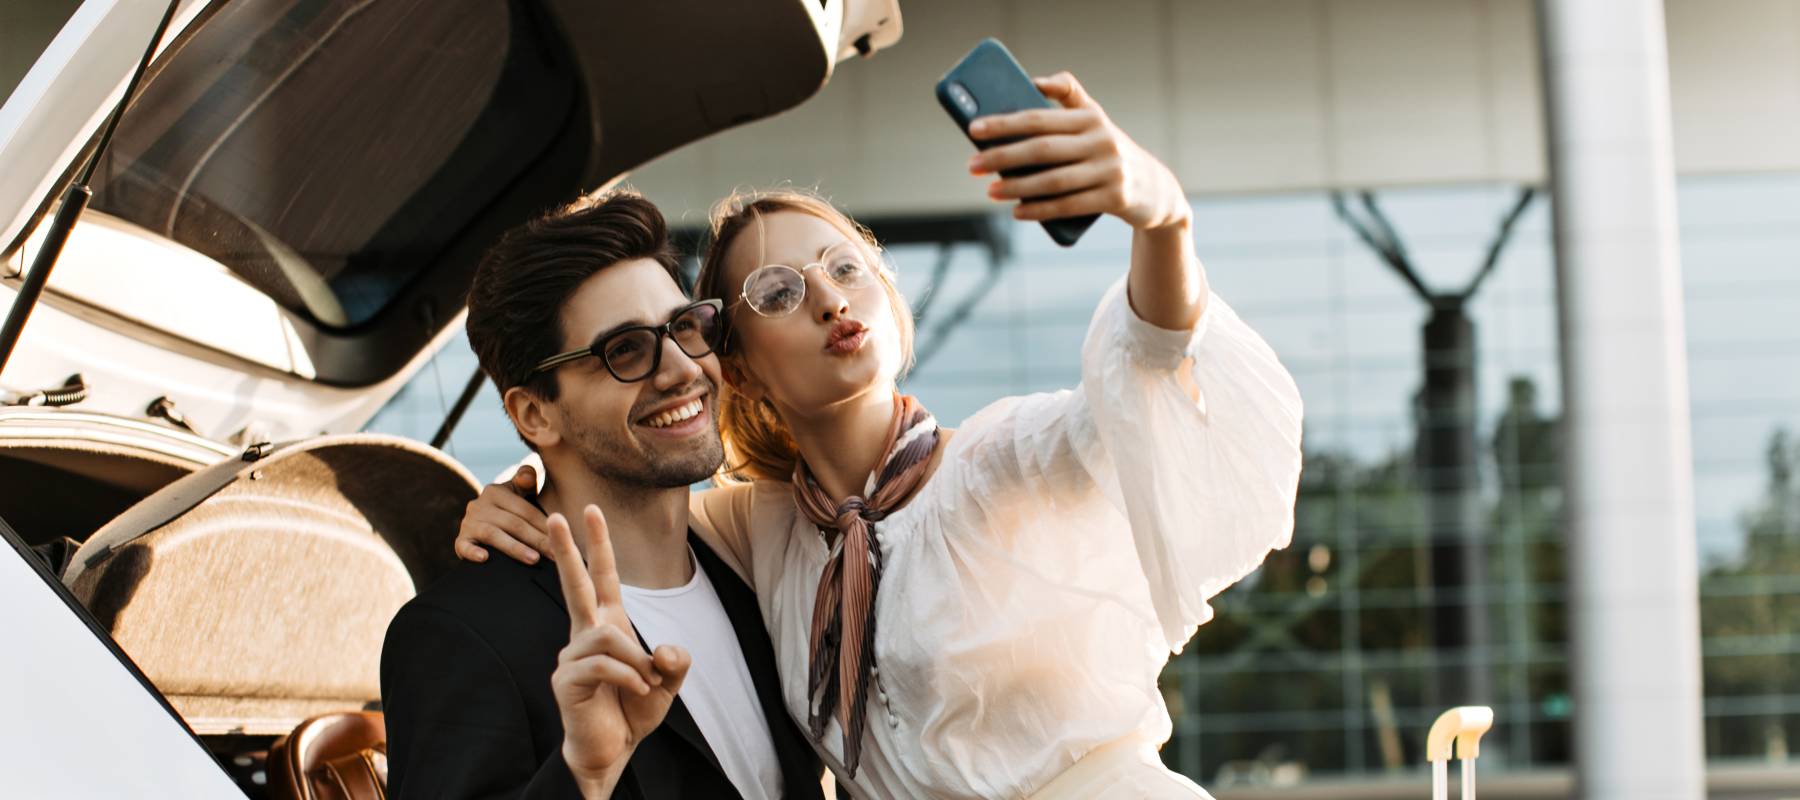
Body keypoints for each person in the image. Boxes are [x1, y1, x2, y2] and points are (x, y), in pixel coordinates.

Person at [460, 72, 1304, 799]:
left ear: (888, 298)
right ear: (739, 367)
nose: (830, 299)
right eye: (781, 292)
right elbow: (613, 482)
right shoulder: (763, 532)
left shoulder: (1003, 461)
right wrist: (510, 497)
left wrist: (1161, 219)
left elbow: (1150, 367)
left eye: (845, 266)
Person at [381, 193, 825, 799]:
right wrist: (583, 778)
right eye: (624, 350)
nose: (681, 369)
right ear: (535, 414)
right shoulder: (458, 633)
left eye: (685, 327)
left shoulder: (758, 572)